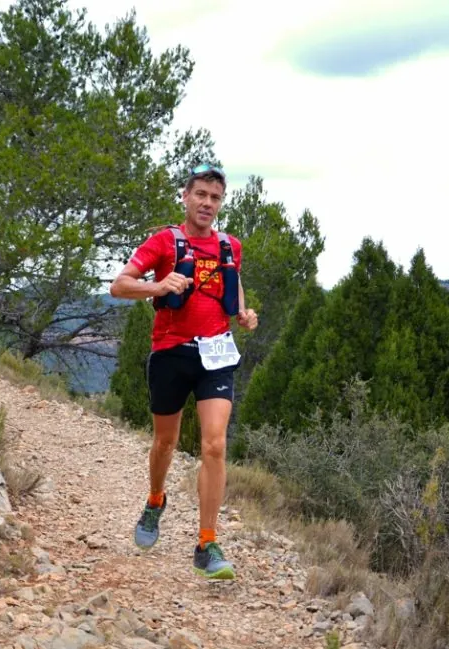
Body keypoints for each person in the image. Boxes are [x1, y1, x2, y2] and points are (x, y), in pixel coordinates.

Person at [109, 163, 258, 580]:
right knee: (165, 442)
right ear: (186, 197)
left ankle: (207, 543)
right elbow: (119, 286)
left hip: (216, 355)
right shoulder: (163, 242)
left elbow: (234, 281)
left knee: (214, 445)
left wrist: (243, 313)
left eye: (215, 198)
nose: (207, 204)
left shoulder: (230, 245)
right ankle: (156, 500)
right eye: (201, 196)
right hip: (171, 353)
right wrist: (157, 287)